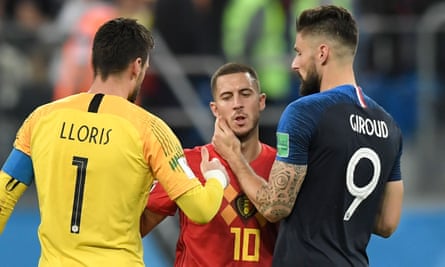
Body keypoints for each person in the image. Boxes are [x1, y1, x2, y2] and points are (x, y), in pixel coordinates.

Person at [0, 18, 229, 267]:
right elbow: (201, 209)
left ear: (95, 61)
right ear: (137, 66)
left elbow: (3, 199)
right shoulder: (150, 129)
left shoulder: (41, 119)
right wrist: (217, 178)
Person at [212, 5, 404, 267]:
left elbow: (274, 207)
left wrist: (233, 155)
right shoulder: (389, 126)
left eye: (299, 53)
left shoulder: (304, 112)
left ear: (322, 53)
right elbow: (387, 223)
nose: (294, 64)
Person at [140, 62, 279, 266]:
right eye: (227, 97)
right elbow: (137, 227)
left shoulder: (282, 168)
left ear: (261, 101)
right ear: (215, 109)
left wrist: (233, 158)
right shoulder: (188, 163)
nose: (237, 104)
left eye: (245, 94)